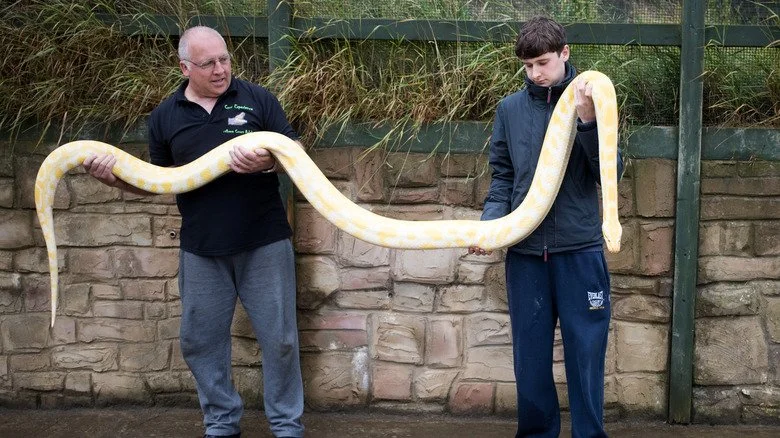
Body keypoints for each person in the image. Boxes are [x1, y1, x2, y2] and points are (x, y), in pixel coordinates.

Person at [83, 26, 305, 438]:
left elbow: (296, 154)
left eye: (224, 59)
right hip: (202, 248)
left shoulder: (258, 99)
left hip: (265, 240)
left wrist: (268, 163)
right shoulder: (165, 117)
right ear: (185, 68)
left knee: (281, 340)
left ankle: (287, 425)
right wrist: (112, 179)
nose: (220, 70)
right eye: (208, 64)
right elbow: (158, 180)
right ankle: (221, 423)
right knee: (200, 341)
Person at [468, 16, 623, 438]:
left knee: (586, 353)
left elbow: (610, 172)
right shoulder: (510, 110)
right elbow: (502, 177)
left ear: (564, 53)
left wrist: (588, 122)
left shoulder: (594, 101)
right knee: (531, 359)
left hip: (579, 250)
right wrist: (490, 227)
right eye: (528, 65)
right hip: (526, 252)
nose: (536, 73)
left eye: (543, 63)